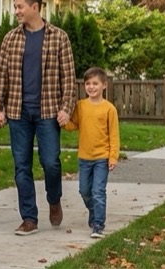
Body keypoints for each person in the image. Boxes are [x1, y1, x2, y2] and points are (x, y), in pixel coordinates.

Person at [0, 0, 76, 236]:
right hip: (18, 113)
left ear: (35, 7)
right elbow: (1, 76)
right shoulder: (11, 38)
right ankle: (29, 218)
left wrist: (66, 108)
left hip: (48, 111)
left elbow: (68, 78)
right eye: (15, 7)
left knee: (51, 163)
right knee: (21, 167)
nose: (16, 11)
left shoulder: (59, 37)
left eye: (19, 6)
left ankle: (54, 198)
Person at [64, 67, 120, 239]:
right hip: (84, 158)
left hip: (101, 158)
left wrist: (113, 157)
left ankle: (98, 224)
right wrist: (62, 121)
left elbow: (114, 135)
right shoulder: (80, 106)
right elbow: (73, 125)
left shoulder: (109, 109)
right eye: (88, 83)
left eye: (95, 83)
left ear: (104, 85)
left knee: (98, 191)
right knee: (84, 191)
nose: (91, 87)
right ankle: (93, 210)